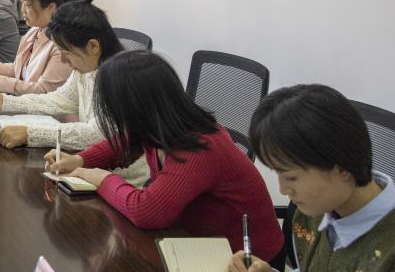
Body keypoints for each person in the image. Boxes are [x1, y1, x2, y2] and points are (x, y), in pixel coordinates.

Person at [224, 85, 395, 272]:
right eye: (277, 174)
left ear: (342, 168)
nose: (282, 190)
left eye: (290, 177)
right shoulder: (316, 209)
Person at [45, 50, 283, 261]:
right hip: (193, 240)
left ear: (136, 108)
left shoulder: (199, 147)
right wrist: (80, 159)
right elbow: (122, 142)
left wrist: (100, 178)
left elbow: (145, 212)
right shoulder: (159, 126)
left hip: (245, 259)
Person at [0, 0, 148, 185]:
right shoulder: (86, 68)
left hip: (126, 181)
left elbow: (96, 134)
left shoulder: (120, 78)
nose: (64, 61)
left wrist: (30, 134)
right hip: (97, 170)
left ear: (93, 46)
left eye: (66, 53)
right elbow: (59, 100)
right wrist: (6, 101)